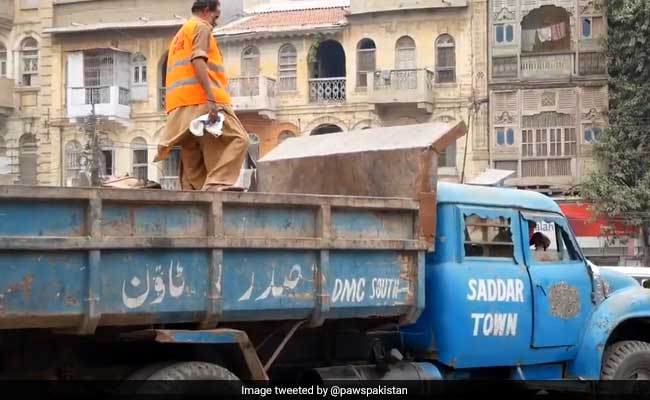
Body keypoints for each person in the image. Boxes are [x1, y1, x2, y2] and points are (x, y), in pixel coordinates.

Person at [154, 0, 250, 192]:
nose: (216, 21)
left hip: (179, 108)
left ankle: (195, 201)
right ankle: (216, 185)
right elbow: (198, 60)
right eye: (216, 16)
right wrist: (211, 98)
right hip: (202, 101)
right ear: (207, 11)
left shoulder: (180, 35)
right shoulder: (202, 28)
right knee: (240, 139)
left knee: (194, 156)